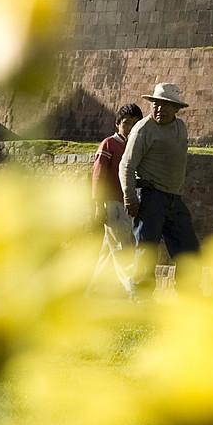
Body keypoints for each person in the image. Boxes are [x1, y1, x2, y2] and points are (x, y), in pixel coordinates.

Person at [120, 82, 200, 271]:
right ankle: (141, 298)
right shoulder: (143, 129)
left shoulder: (180, 127)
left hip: (173, 198)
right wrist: (129, 197)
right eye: (156, 104)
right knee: (146, 253)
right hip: (150, 196)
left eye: (165, 105)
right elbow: (126, 165)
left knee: (189, 251)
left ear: (176, 109)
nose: (159, 109)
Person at [89, 102, 142, 293]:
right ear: (117, 124)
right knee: (123, 249)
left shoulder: (135, 147)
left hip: (128, 204)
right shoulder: (109, 144)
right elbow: (98, 176)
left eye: (134, 124)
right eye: (126, 123)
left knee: (109, 252)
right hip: (112, 204)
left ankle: (92, 293)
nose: (129, 128)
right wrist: (98, 205)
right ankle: (135, 294)